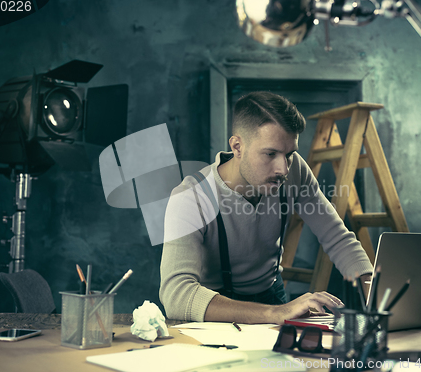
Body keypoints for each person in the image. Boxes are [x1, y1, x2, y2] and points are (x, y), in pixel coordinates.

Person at [159, 91, 373, 324]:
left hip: (273, 296)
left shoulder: (295, 171)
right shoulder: (192, 197)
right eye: (270, 154)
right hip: (217, 312)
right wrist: (276, 313)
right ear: (237, 146)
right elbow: (177, 295)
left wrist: (379, 301)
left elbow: (338, 239)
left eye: (289, 154)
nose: (283, 169)